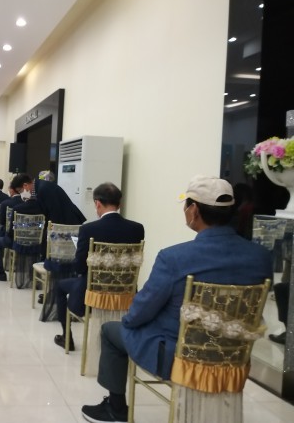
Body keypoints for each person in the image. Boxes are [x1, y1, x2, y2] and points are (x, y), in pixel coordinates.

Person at [80, 175, 272, 423]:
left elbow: (141, 311)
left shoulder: (174, 258)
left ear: (194, 211)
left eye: (185, 205)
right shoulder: (260, 257)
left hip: (178, 356)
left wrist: (128, 321)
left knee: (110, 330)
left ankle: (116, 409)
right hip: (233, 358)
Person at [53, 183, 144, 351]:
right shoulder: (137, 229)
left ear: (97, 203)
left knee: (59, 286)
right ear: (119, 204)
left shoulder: (88, 229)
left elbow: (80, 267)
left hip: (92, 294)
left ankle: (67, 338)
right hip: (125, 293)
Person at [0, 174, 44, 282]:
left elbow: (11, 230)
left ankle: (1, 272)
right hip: (37, 241)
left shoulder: (17, 208)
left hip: (17, 241)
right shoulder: (41, 208)